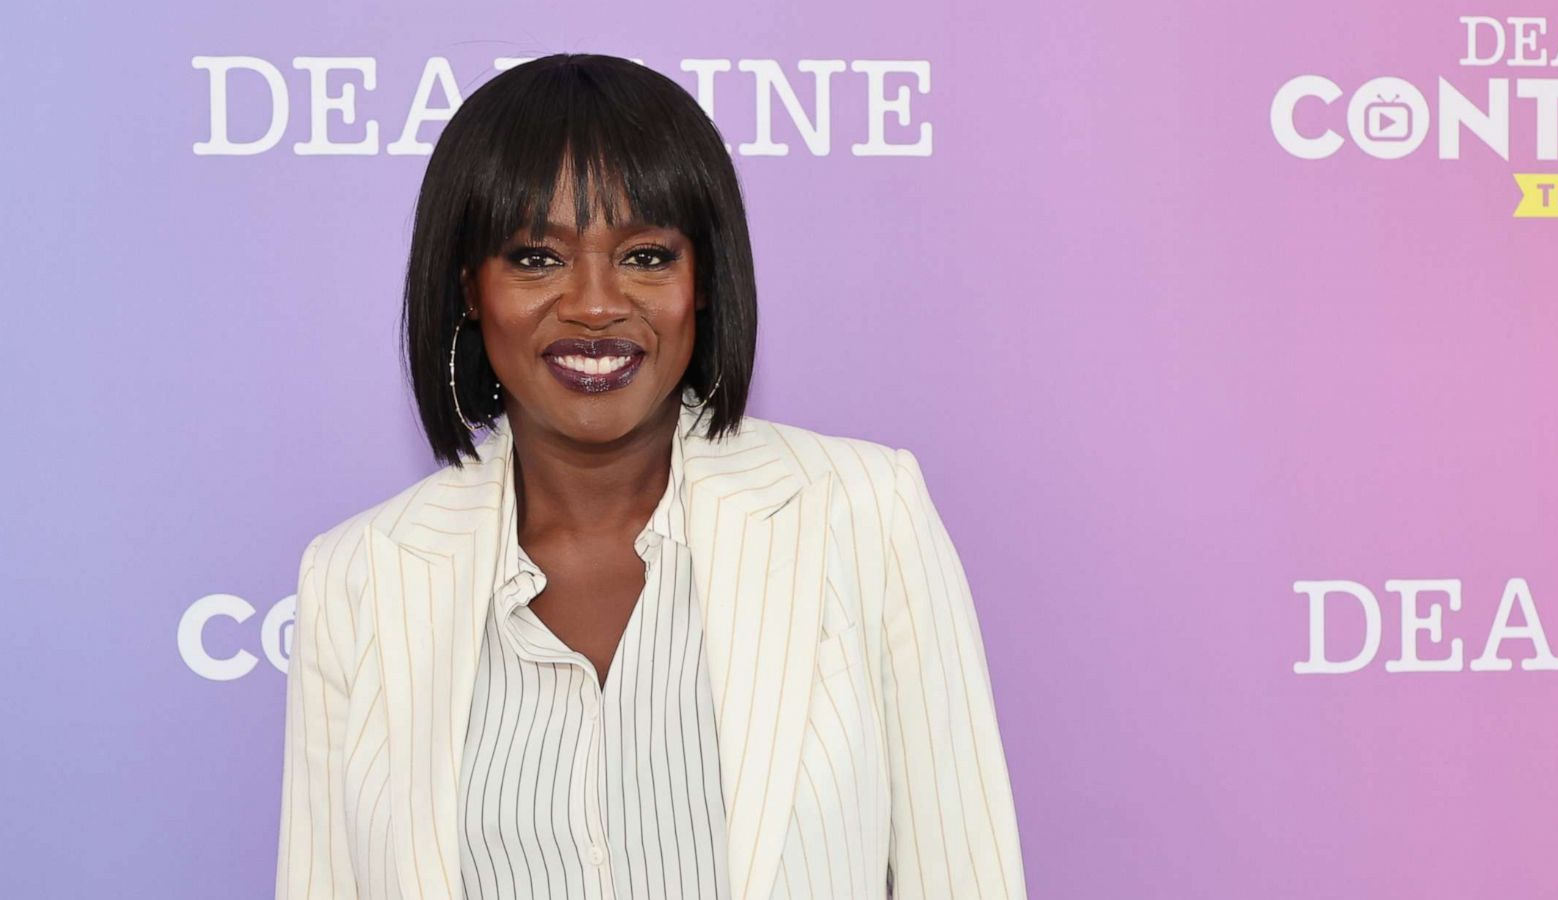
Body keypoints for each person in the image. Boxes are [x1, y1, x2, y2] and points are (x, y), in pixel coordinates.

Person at [274, 52, 1026, 900]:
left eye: (645, 255)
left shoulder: (862, 514)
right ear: (467, 289)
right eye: (533, 258)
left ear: (704, 281)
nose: (596, 305)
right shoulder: (358, 578)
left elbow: (966, 876)